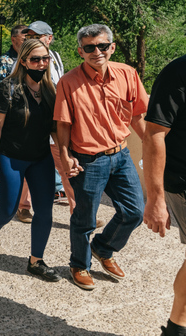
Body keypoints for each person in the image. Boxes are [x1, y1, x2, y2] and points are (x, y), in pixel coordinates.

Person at [54, 24, 148, 291]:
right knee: (84, 219)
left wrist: (153, 148)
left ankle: (103, 248)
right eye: (90, 47)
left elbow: (139, 116)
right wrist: (65, 156)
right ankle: (79, 265)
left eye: (102, 46)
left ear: (112, 47)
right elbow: (63, 124)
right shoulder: (68, 82)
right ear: (80, 51)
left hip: (120, 155)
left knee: (134, 212)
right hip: (88, 161)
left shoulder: (128, 74)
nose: (97, 52)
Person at [0, 39, 60, 282]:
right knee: (7, 209)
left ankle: (36, 261)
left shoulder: (49, 89)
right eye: (35, 59)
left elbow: (54, 127)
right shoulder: (8, 87)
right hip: (11, 157)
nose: (41, 64)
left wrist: (65, 154)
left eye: (45, 59)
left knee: (44, 210)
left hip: (41, 158)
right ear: (23, 61)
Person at [141, 53, 186, 336]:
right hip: (182, 181)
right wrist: (155, 198)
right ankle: (176, 329)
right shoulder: (177, 73)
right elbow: (154, 134)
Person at [24, 21, 75, 212]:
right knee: (29, 165)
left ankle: (78, 210)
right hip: (34, 121)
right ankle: (23, 206)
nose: (32, 40)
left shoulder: (55, 57)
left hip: (54, 120)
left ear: (49, 38)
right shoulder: (25, 59)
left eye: (37, 36)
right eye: (29, 37)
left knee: (65, 164)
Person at [0, 25, 32, 220]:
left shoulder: (34, 60)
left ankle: (23, 205)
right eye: (25, 37)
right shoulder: (4, 62)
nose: (29, 41)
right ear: (14, 39)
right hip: (9, 123)